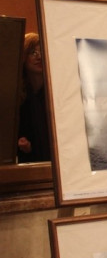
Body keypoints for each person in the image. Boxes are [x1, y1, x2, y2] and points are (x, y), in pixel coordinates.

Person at [17, 33, 51, 163]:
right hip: (27, 163)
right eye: (33, 53)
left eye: (42, 52)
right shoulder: (18, 96)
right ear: (23, 57)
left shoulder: (54, 92)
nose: (39, 57)